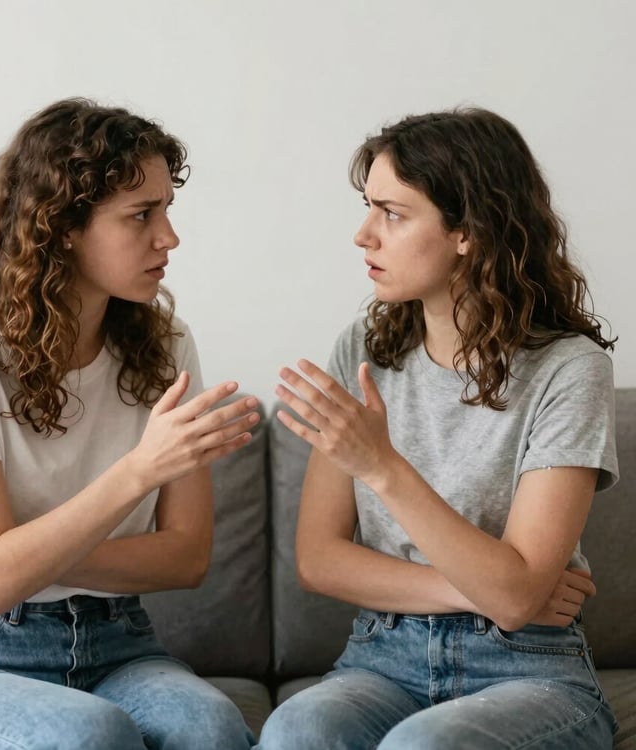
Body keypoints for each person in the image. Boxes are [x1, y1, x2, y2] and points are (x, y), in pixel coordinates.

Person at [0, 97, 258, 750]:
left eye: (167, 210)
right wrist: (139, 470)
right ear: (61, 226)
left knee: (212, 727)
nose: (169, 237)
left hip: (119, 641)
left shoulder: (167, 345)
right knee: (92, 735)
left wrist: (24, 556)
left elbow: (187, 556)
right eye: (141, 215)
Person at [257, 108, 619, 749]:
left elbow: (516, 602)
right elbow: (318, 559)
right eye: (369, 209)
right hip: (383, 657)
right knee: (295, 729)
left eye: (393, 214)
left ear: (468, 233)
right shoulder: (362, 351)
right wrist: (478, 590)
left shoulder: (570, 369)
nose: (364, 235)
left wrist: (382, 467)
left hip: (526, 667)